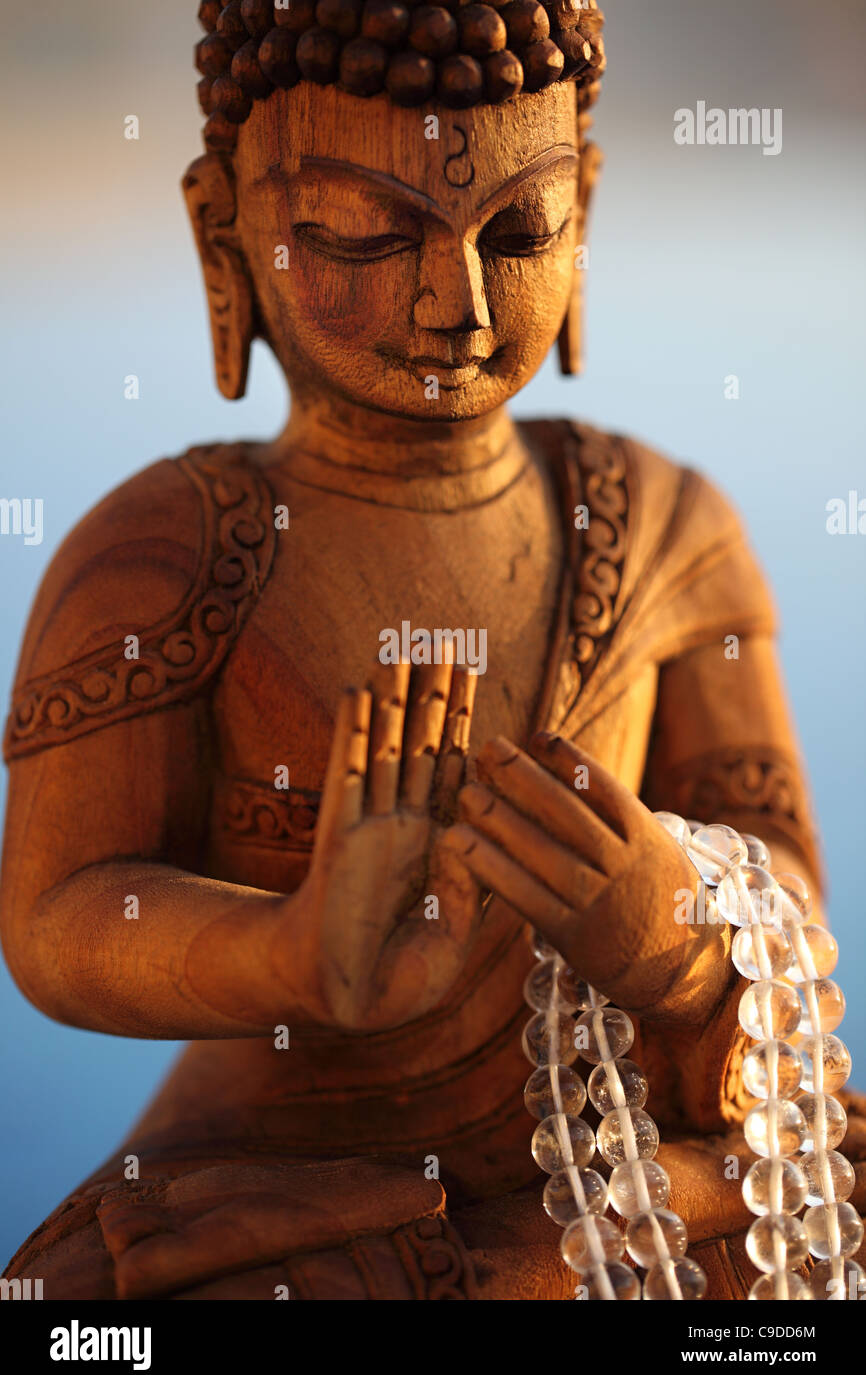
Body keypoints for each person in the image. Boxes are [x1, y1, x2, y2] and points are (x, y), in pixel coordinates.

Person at [2, 0, 862, 1299]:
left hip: (618, 1161)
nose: (450, 304)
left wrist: (669, 927)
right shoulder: (166, 547)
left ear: (587, 211)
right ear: (217, 229)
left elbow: (783, 884)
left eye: (519, 233)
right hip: (295, 1175)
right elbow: (61, 915)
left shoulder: (671, 525)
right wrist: (295, 953)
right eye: (356, 235)